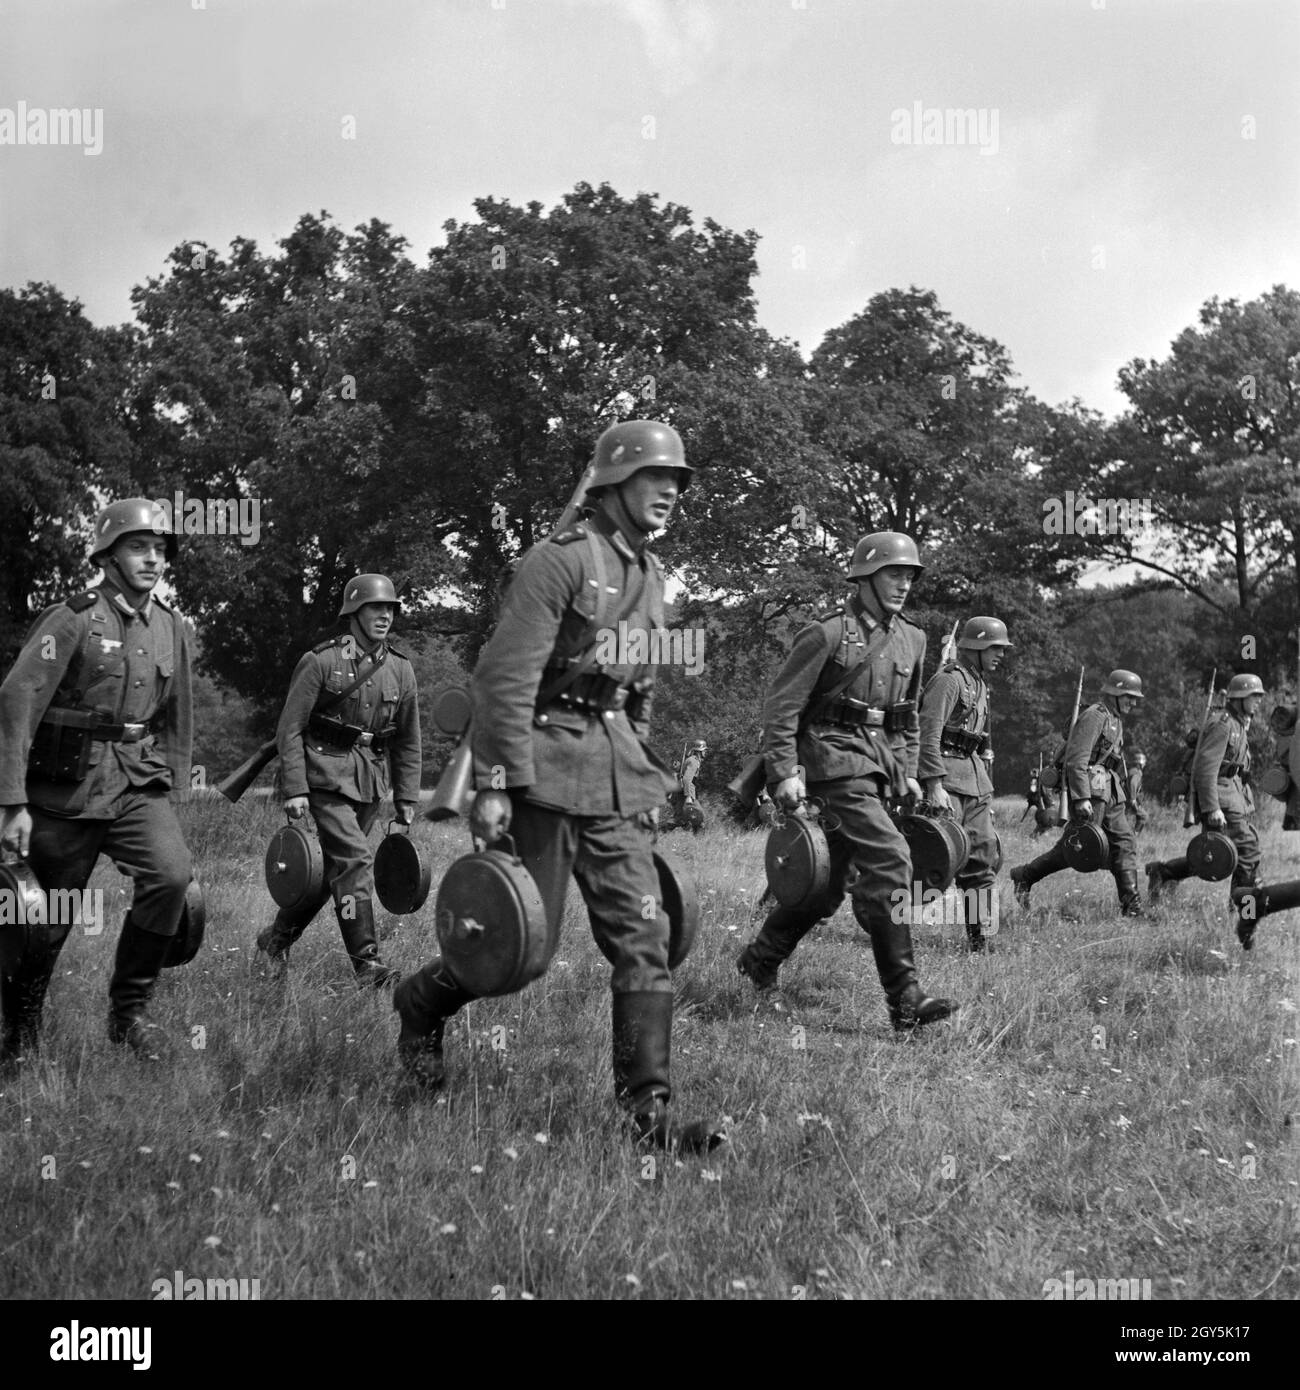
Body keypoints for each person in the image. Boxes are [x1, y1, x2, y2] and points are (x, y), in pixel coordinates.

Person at [392, 420, 721, 1152]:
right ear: (612, 484)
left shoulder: (652, 575)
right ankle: (420, 1002)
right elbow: (504, 678)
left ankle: (649, 1116)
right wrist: (498, 782)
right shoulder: (559, 561)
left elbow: (642, 687)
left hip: (613, 777)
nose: (669, 490)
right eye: (653, 478)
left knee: (646, 937)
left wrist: (646, 776)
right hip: (543, 773)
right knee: (520, 952)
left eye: (677, 481)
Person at [734, 532, 958, 1031]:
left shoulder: (914, 639)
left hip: (876, 770)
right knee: (891, 859)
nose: (903, 583)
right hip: (831, 768)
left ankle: (761, 958)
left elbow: (906, 719)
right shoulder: (828, 634)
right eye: (893, 574)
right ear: (865, 577)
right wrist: (783, 772)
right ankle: (905, 1001)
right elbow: (782, 708)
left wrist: (907, 774)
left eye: (909, 575)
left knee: (826, 887)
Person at [0, 499, 194, 1062]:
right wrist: (11, 801)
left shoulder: (171, 626)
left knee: (171, 875)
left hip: (137, 781)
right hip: (68, 785)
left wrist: (176, 787)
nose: (153, 559)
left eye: (160, 550)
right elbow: (17, 701)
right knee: (49, 914)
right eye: (139, 547)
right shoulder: (74, 617)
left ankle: (129, 1013)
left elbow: (177, 711)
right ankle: (22, 1026)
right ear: (107, 556)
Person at [254, 574, 420, 987]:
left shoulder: (400, 670)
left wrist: (407, 797)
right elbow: (289, 730)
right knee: (355, 862)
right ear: (354, 612)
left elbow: (408, 740)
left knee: (332, 874)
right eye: (375, 608)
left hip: (370, 783)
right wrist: (294, 788)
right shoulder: (322, 661)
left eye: (390, 608)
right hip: (324, 778)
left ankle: (275, 940)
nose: (385, 615)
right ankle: (367, 965)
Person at [1008, 670, 1146, 916]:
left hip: (1110, 791)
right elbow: (1076, 759)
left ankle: (1132, 907)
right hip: (1091, 790)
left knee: (1125, 842)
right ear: (1114, 693)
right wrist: (1081, 797)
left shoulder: (1115, 720)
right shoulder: (1095, 716)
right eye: (1128, 696)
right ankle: (1025, 875)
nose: (1132, 702)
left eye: (1134, 698)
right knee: (1078, 846)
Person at [917, 616, 1012, 952]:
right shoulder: (949, 681)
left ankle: (980, 941)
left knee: (983, 859)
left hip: (974, 780)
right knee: (937, 865)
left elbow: (980, 740)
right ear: (975, 646)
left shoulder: (980, 684)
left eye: (1002, 648)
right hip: (946, 778)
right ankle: (882, 911)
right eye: (994, 647)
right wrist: (933, 784)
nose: (1000, 654)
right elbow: (927, 734)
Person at [1146, 674, 1263, 939]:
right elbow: (1205, 770)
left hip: (1234, 797)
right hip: (1220, 798)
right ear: (1240, 698)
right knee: (1246, 851)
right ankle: (1240, 919)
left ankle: (1162, 872)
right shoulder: (1223, 725)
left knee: (1216, 857)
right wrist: (1211, 808)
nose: (1257, 702)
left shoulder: (1239, 724)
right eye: (1254, 696)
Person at [669, 738, 708, 832]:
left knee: (679, 819)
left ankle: (657, 833)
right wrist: (689, 796)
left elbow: (682, 773)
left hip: (680, 793)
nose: (705, 753)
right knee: (699, 816)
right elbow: (686, 779)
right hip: (686, 793)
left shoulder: (691, 760)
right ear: (699, 751)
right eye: (704, 751)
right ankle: (700, 842)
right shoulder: (694, 761)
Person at [1126, 751, 1148, 835]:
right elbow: (1132, 783)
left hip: (1126, 800)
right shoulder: (1136, 772)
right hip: (1130, 800)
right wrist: (1133, 798)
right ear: (1140, 763)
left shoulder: (1132, 770)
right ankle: (1133, 835)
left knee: (1126, 819)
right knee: (1143, 816)